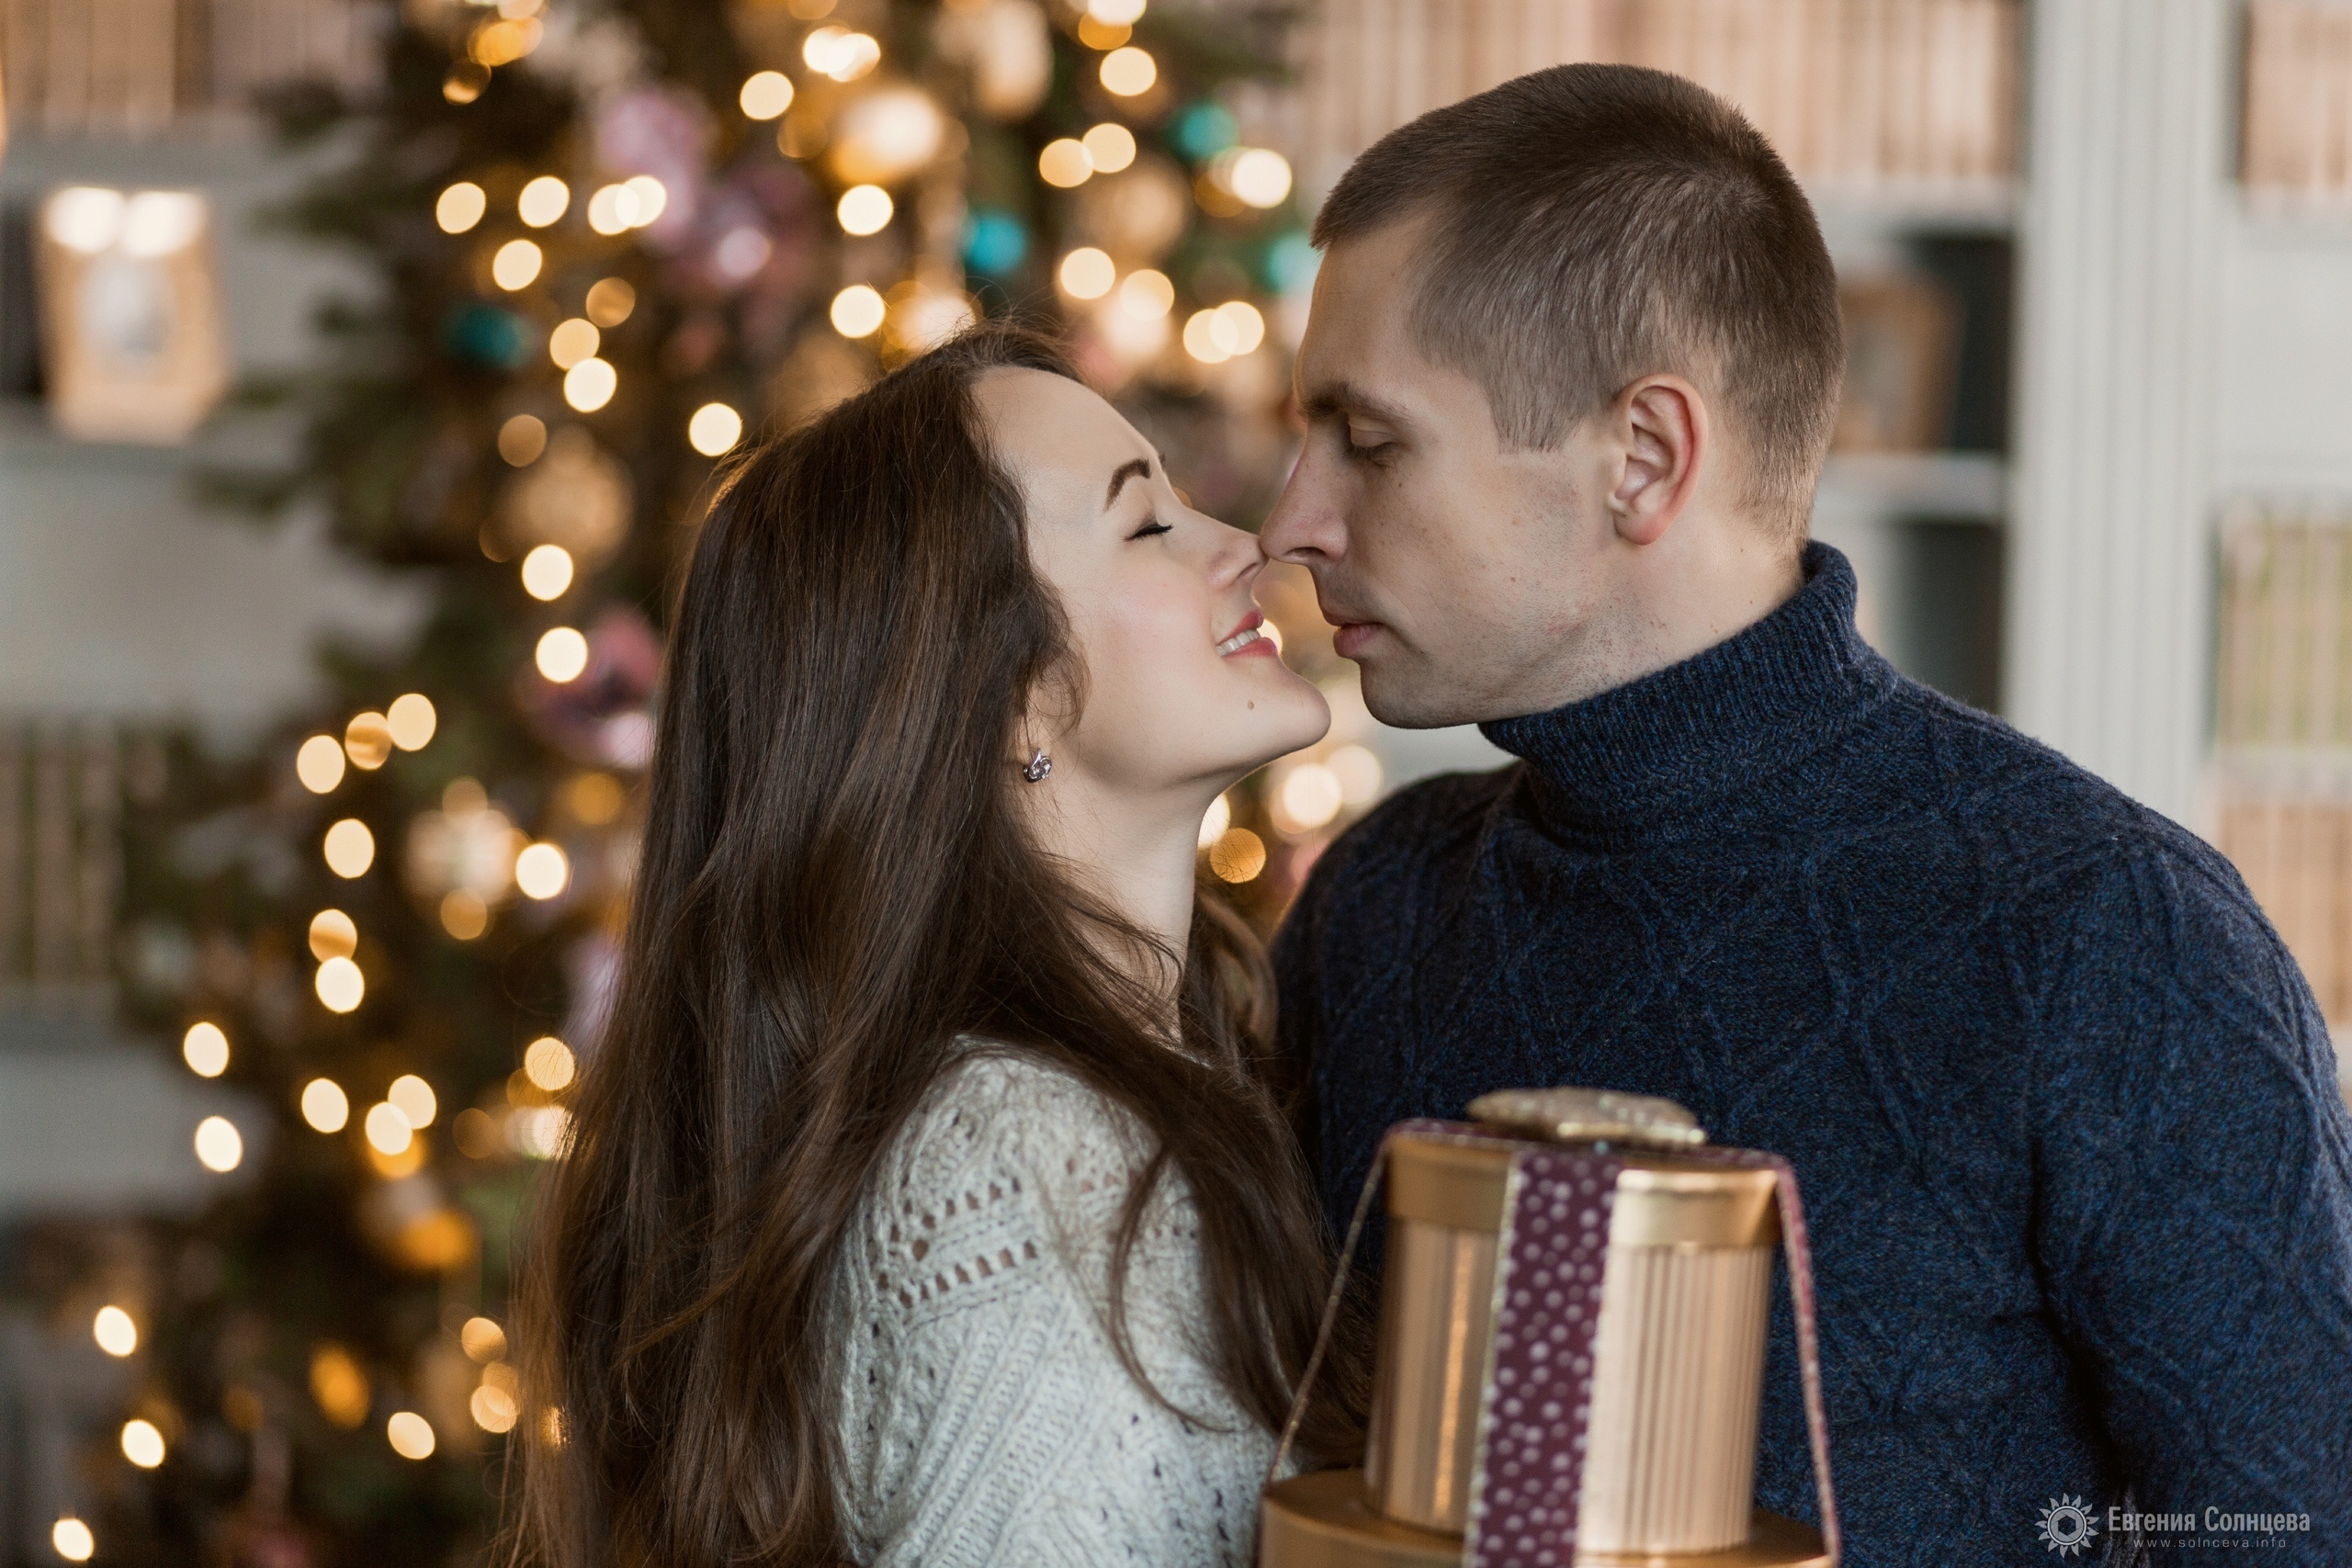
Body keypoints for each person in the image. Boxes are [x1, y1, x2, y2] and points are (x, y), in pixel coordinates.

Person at [1263, 63, 2352, 1566]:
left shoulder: (2108, 929)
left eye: (1367, 443)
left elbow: (2293, 1523)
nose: (1291, 518)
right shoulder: (1378, 899)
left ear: (1644, 458)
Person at [509, 326, 1361, 1568]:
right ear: (1003, 688)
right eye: (1146, 524)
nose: (1247, 545)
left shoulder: (1115, 1089)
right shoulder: (1035, 1170)